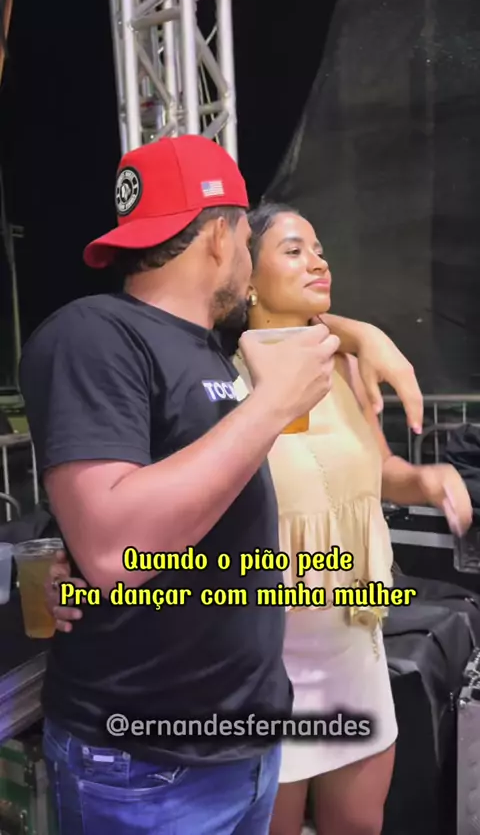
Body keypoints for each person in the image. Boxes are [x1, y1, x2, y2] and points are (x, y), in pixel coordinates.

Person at [22, 134, 423, 835]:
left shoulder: (212, 349)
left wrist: (364, 335)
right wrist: (271, 406)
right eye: (247, 236)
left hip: (247, 742)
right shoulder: (93, 333)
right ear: (220, 237)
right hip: (146, 764)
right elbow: (114, 551)